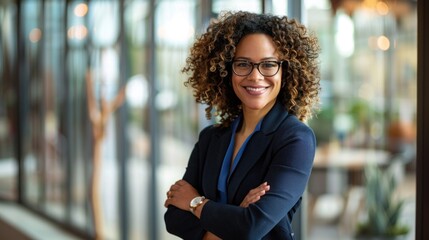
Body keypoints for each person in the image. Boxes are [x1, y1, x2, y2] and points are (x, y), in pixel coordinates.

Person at [164, 11, 320, 240]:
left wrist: (195, 202)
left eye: (268, 65)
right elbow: (174, 219)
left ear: (285, 72)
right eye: (243, 64)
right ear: (227, 70)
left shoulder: (295, 139)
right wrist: (236, 216)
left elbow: (251, 226)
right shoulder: (210, 138)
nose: (255, 76)